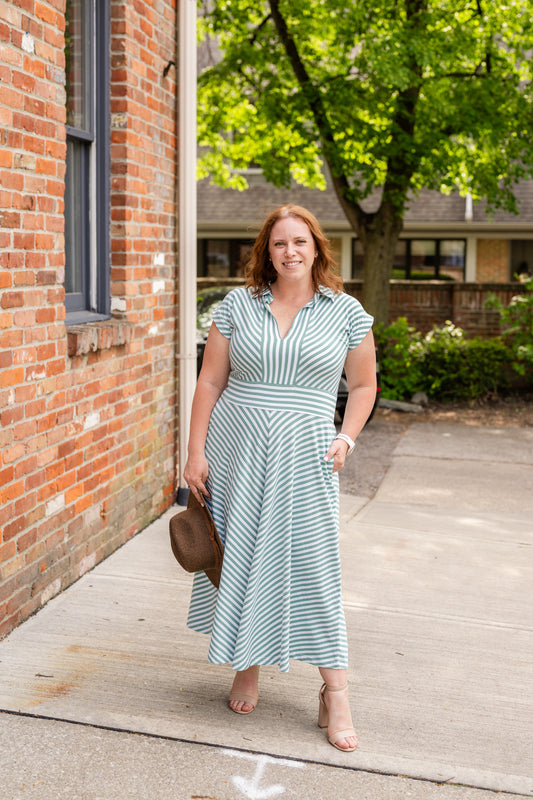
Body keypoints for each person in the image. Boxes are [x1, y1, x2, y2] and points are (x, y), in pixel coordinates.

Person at [183, 204, 376, 752]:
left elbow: (363, 386)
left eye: (299, 242)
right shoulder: (238, 306)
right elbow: (209, 382)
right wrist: (194, 452)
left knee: (313, 567)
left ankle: (335, 690)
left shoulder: (346, 312)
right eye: (278, 244)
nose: (290, 252)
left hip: (307, 457)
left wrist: (346, 437)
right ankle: (247, 665)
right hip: (236, 448)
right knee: (241, 556)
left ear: (317, 247)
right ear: (266, 253)